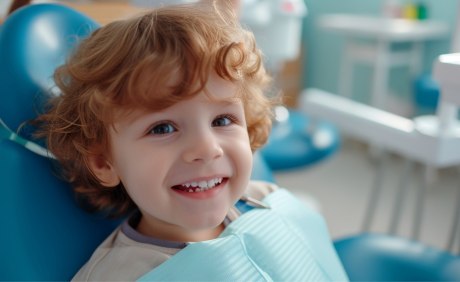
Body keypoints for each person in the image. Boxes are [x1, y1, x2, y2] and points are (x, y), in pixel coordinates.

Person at [36, 2, 348, 281]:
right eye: (162, 128)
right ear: (105, 161)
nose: (206, 148)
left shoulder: (265, 201)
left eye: (222, 121)